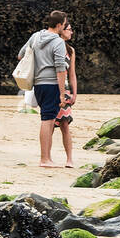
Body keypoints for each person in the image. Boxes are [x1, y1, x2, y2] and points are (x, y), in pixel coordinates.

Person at [17, 11, 68, 168]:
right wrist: (62, 93)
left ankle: (46, 158)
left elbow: (20, 55)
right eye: (64, 24)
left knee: (46, 118)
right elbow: (60, 69)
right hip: (52, 84)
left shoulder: (35, 37)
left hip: (37, 84)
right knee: (47, 121)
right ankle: (45, 159)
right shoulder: (58, 42)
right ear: (59, 25)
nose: (65, 27)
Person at [53, 20, 77, 168]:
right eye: (69, 29)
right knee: (48, 123)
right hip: (51, 88)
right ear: (61, 30)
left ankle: (69, 159)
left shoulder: (71, 50)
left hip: (66, 90)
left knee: (65, 124)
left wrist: (74, 93)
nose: (71, 32)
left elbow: (72, 73)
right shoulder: (53, 46)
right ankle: (46, 157)